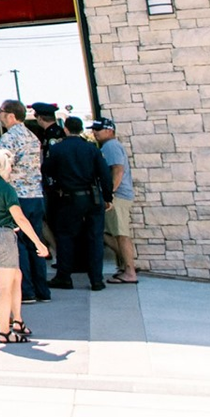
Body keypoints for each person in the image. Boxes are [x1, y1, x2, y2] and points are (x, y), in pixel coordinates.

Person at [0, 148, 51, 345]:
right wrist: (39, 243)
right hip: (2, 238)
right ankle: (5, 331)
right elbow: (20, 218)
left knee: (16, 275)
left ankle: (18, 321)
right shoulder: (6, 188)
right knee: (5, 287)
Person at [46, 116, 113, 291]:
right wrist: (108, 197)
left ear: (66, 129)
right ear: (81, 129)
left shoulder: (57, 149)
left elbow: (46, 170)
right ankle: (96, 280)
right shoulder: (92, 149)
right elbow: (105, 175)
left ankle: (64, 277)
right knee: (95, 239)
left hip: (68, 198)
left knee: (66, 237)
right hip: (92, 197)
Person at [0, 100, 52, 302]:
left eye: (0, 112)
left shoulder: (9, 139)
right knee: (35, 242)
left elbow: (0, 168)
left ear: (10, 115)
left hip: (17, 198)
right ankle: (42, 290)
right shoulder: (32, 137)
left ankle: (26, 291)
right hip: (35, 196)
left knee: (18, 245)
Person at [92, 120, 139, 284]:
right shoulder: (108, 146)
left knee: (121, 235)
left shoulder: (111, 146)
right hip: (118, 195)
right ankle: (127, 266)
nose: (95, 133)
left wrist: (109, 195)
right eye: (94, 130)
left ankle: (130, 270)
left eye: (99, 130)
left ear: (110, 131)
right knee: (110, 233)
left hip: (118, 196)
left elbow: (117, 170)